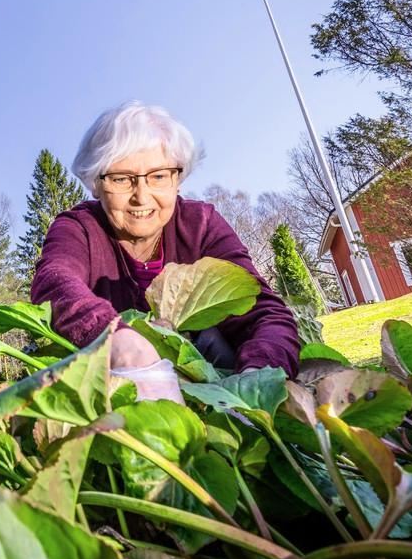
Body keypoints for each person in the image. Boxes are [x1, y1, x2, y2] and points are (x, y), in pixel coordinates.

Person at [31, 101, 300, 385]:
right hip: (117, 389)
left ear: (177, 179)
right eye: (122, 179)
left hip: (216, 384)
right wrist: (116, 340)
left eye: (158, 176)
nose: (142, 197)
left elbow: (263, 313)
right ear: (96, 185)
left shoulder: (200, 225)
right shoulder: (79, 228)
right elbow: (55, 281)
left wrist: (256, 381)